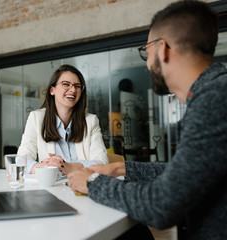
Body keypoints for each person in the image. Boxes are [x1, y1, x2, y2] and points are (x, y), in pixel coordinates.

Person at [68, 1, 227, 239]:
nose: (146, 62)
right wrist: (123, 168)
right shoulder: (215, 92)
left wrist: (92, 183)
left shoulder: (214, 100)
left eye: (146, 52)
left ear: (162, 49)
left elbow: (162, 205)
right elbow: (185, 174)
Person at [17, 64, 108, 175]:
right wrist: (46, 167)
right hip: (51, 185)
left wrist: (68, 166)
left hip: (83, 185)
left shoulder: (91, 121)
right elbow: (21, 159)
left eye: (78, 86)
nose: (73, 90)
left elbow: (102, 163)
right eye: (66, 84)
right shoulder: (36, 118)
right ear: (52, 90)